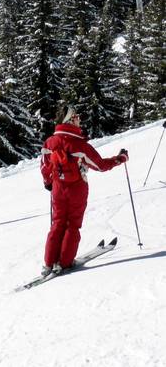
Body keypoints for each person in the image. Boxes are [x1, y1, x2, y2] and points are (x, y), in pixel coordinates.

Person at [40, 104, 128, 275]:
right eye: (76, 116)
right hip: (77, 187)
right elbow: (100, 165)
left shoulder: (49, 142)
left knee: (57, 223)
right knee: (72, 224)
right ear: (70, 120)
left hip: (58, 187)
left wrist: (48, 182)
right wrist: (120, 159)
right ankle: (65, 262)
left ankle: (49, 263)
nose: (79, 119)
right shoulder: (79, 145)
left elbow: (44, 165)